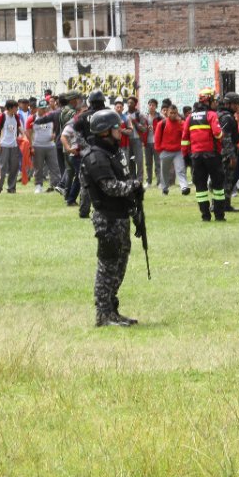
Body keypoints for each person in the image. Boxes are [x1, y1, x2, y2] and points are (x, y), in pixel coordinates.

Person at [79, 109, 144, 327]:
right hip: (107, 219)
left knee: (119, 266)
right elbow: (109, 187)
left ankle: (112, 310)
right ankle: (103, 314)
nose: (120, 130)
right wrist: (133, 186)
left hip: (121, 216)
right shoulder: (96, 157)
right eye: (116, 127)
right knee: (107, 267)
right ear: (105, 131)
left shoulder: (113, 153)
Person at [182, 88, 226, 222]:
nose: (216, 103)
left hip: (195, 157)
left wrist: (186, 157)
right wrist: (222, 134)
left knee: (200, 187)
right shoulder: (212, 115)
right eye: (214, 100)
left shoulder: (190, 117)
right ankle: (219, 215)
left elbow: (184, 139)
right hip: (212, 156)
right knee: (218, 186)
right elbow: (217, 133)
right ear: (209, 101)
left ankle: (205, 216)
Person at [154, 104, 189, 195]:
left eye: (175, 113)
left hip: (178, 151)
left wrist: (181, 122)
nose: (173, 115)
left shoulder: (181, 123)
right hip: (165, 151)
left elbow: (186, 131)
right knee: (164, 172)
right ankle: (165, 188)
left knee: (180, 169)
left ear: (177, 113)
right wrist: (159, 150)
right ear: (167, 113)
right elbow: (157, 138)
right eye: (171, 113)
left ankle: (184, 187)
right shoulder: (162, 124)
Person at [29, 99, 60, 194]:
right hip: (38, 145)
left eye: (45, 108)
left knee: (54, 167)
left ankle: (55, 185)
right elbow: (29, 133)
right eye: (42, 108)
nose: (44, 110)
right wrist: (31, 146)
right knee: (38, 167)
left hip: (50, 146)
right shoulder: (32, 118)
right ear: (37, 108)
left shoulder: (51, 117)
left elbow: (57, 127)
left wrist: (55, 134)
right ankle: (38, 186)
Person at [0, 100, 22, 194]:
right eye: (15, 107)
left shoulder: (16, 116)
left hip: (14, 146)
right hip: (3, 145)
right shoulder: (1, 116)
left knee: (14, 167)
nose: (17, 109)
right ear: (10, 108)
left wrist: (25, 136)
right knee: (2, 167)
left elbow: (19, 127)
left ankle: (11, 187)